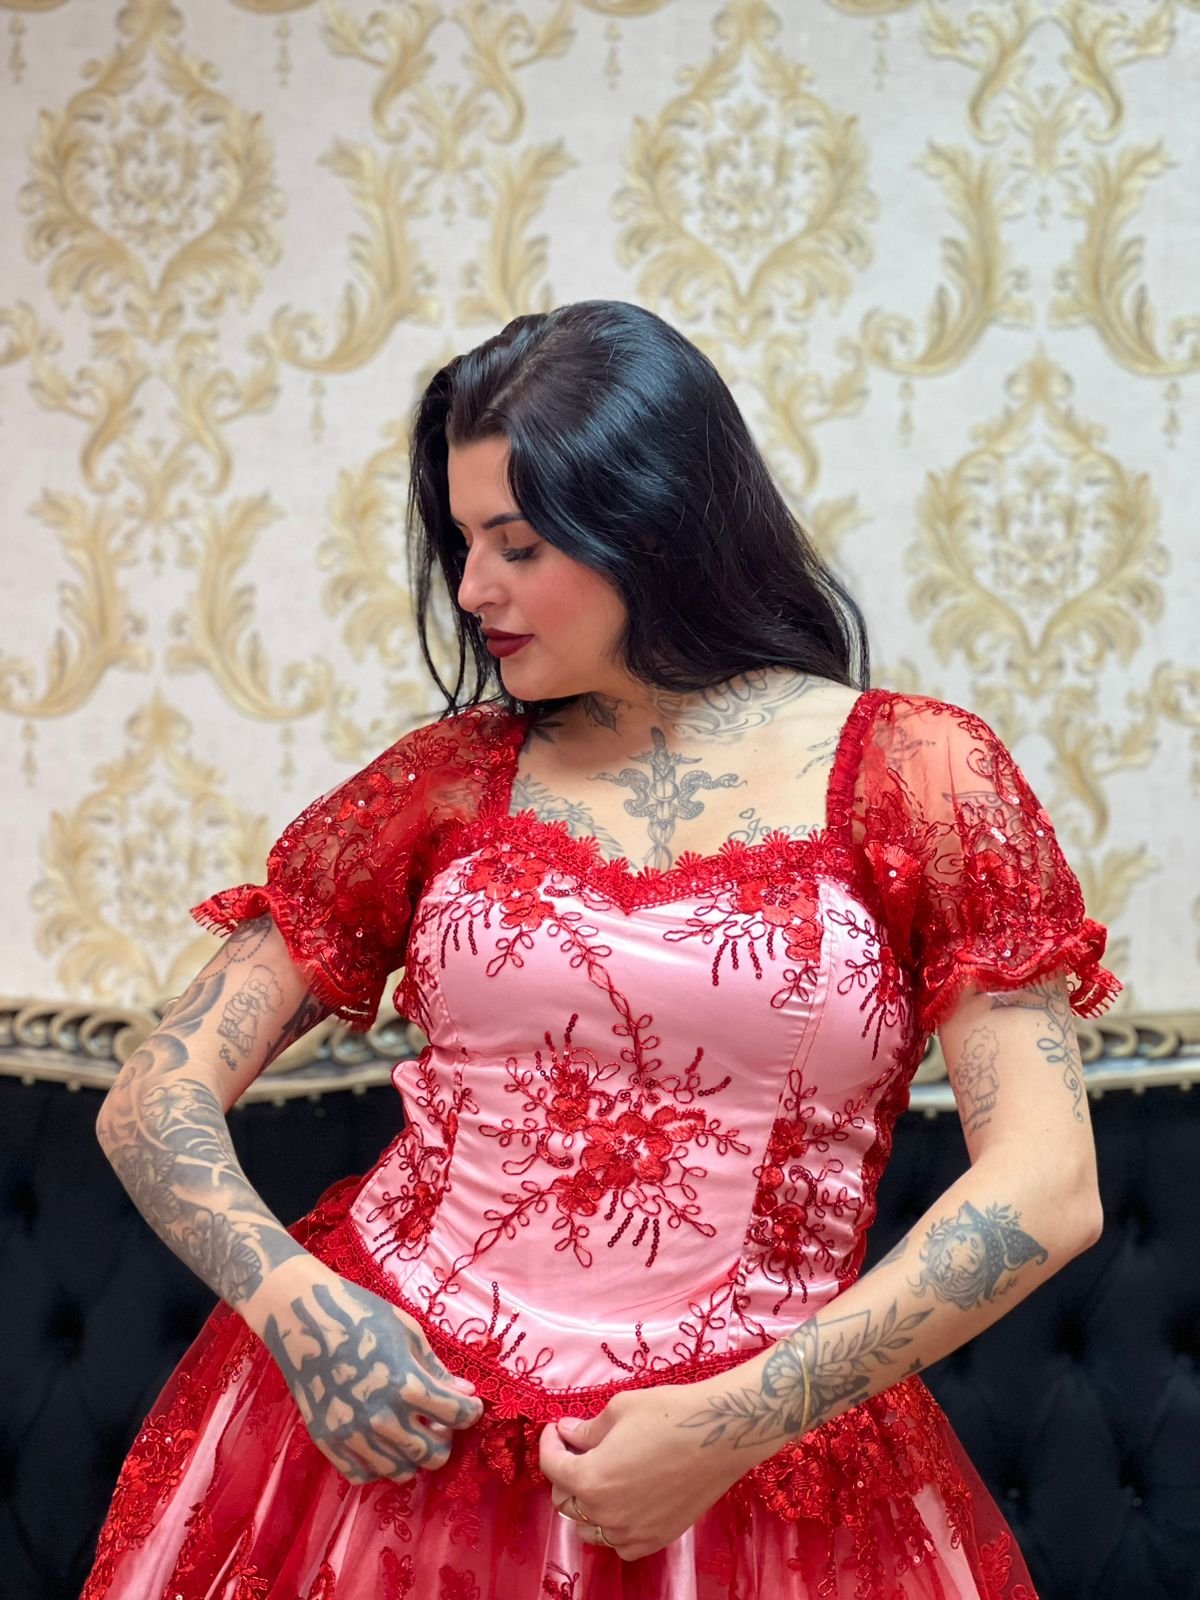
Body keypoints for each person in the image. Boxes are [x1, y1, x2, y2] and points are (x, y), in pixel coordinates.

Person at [82, 300, 1120, 1600]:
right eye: (463, 541)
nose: (473, 590)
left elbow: (1048, 1186)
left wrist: (733, 1421)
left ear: (653, 525)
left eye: (516, 544)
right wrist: (294, 1305)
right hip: (392, 1458)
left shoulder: (918, 774)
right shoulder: (447, 781)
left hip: (753, 1477)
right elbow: (153, 1092)